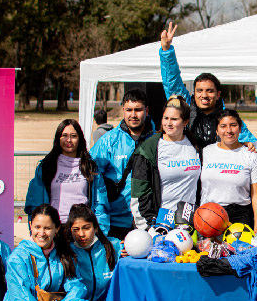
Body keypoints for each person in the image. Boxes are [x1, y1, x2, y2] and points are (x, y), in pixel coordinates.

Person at [159, 22, 256, 147]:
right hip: (189, 166)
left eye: (209, 91)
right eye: (199, 91)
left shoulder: (229, 119)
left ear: (218, 94)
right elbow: (172, 82)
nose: (204, 95)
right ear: (194, 92)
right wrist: (167, 51)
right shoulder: (184, 109)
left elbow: (253, 144)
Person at [90, 89, 155, 240]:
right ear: (123, 111)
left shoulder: (158, 140)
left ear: (146, 110)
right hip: (115, 221)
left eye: (138, 110)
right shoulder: (108, 141)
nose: (133, 115)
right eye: (129, 110)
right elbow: (94, 181)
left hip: (148, 221)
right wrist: (102, 223)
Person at [131, 96, 201, 230]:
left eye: (174, 119)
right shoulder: (148, 148)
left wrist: (246, 144)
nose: (168, 123)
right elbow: (137, 196)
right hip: (159, 224)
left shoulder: (195, 145)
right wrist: (150, 229)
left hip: (189, 224)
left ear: (185, 122)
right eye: (165, 118)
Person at [25, 119, 109, 229]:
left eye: (73, 136)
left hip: (81, 229)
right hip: (54, 228)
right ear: (58, 138)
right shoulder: (46, 167)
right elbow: (35, 202)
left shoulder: (90, 167)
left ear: (80, 139)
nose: (69, 140)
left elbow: (100, 203)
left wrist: (100, 230)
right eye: (64, 135)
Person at [200, 109, 257, 231]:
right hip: (209, 216)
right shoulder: (205, 152)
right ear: (217, 130)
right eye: (223, 126)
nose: (228, 131)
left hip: (240, 217)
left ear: (240, 128)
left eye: (233, 125)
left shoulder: (251, 155)